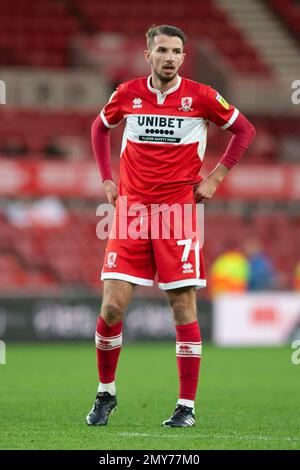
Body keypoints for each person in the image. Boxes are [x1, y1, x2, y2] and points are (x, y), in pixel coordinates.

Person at [87, 25, 255, 428]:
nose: (169, 57)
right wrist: (107, 178)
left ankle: (186, 407)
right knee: (111, 306)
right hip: (129, 212)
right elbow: (99, 128)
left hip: (177, 214)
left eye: (176, 51)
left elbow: (244, 130)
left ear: (184, 56)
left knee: (182, 307)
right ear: (148, 55)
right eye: (161, 50)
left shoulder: (201, 96)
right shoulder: (127, 94)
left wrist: (215, 177)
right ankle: (105, 392)